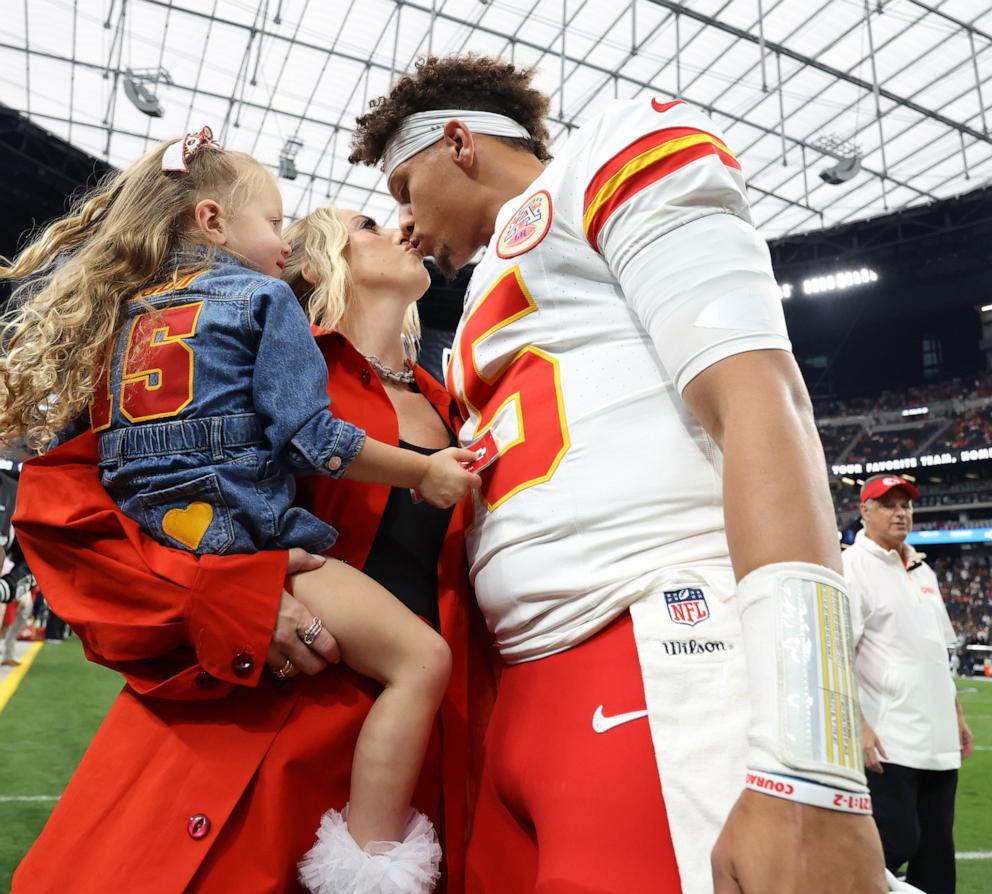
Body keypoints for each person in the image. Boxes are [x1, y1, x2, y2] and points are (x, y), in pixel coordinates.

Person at [349, 55, 890, 894]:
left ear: (458, 143)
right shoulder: (472, 314)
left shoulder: (612, 149)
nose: (405, 223)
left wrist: (809, 745)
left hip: (658, 644)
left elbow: (761, 402)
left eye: (403, 187)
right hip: (525, 697)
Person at [0, 128, 484, 893]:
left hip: (412, 765)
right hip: (248, 744)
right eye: (364, 222)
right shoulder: (249, 365)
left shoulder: (460, 403)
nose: (397, 226)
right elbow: (67, 515)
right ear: (317, 259)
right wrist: (222, 596)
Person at [844, 474, 973, 894]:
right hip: (889, 738)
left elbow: (937, 650)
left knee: (936, 857)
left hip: (937, 740)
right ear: (865, 511)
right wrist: (858, 725)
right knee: (893, 842)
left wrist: (956, 716)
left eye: (907, 505)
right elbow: (838, 652)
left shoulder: (923, 569)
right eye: (888, 504)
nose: (901, 513)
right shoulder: (851, 566)